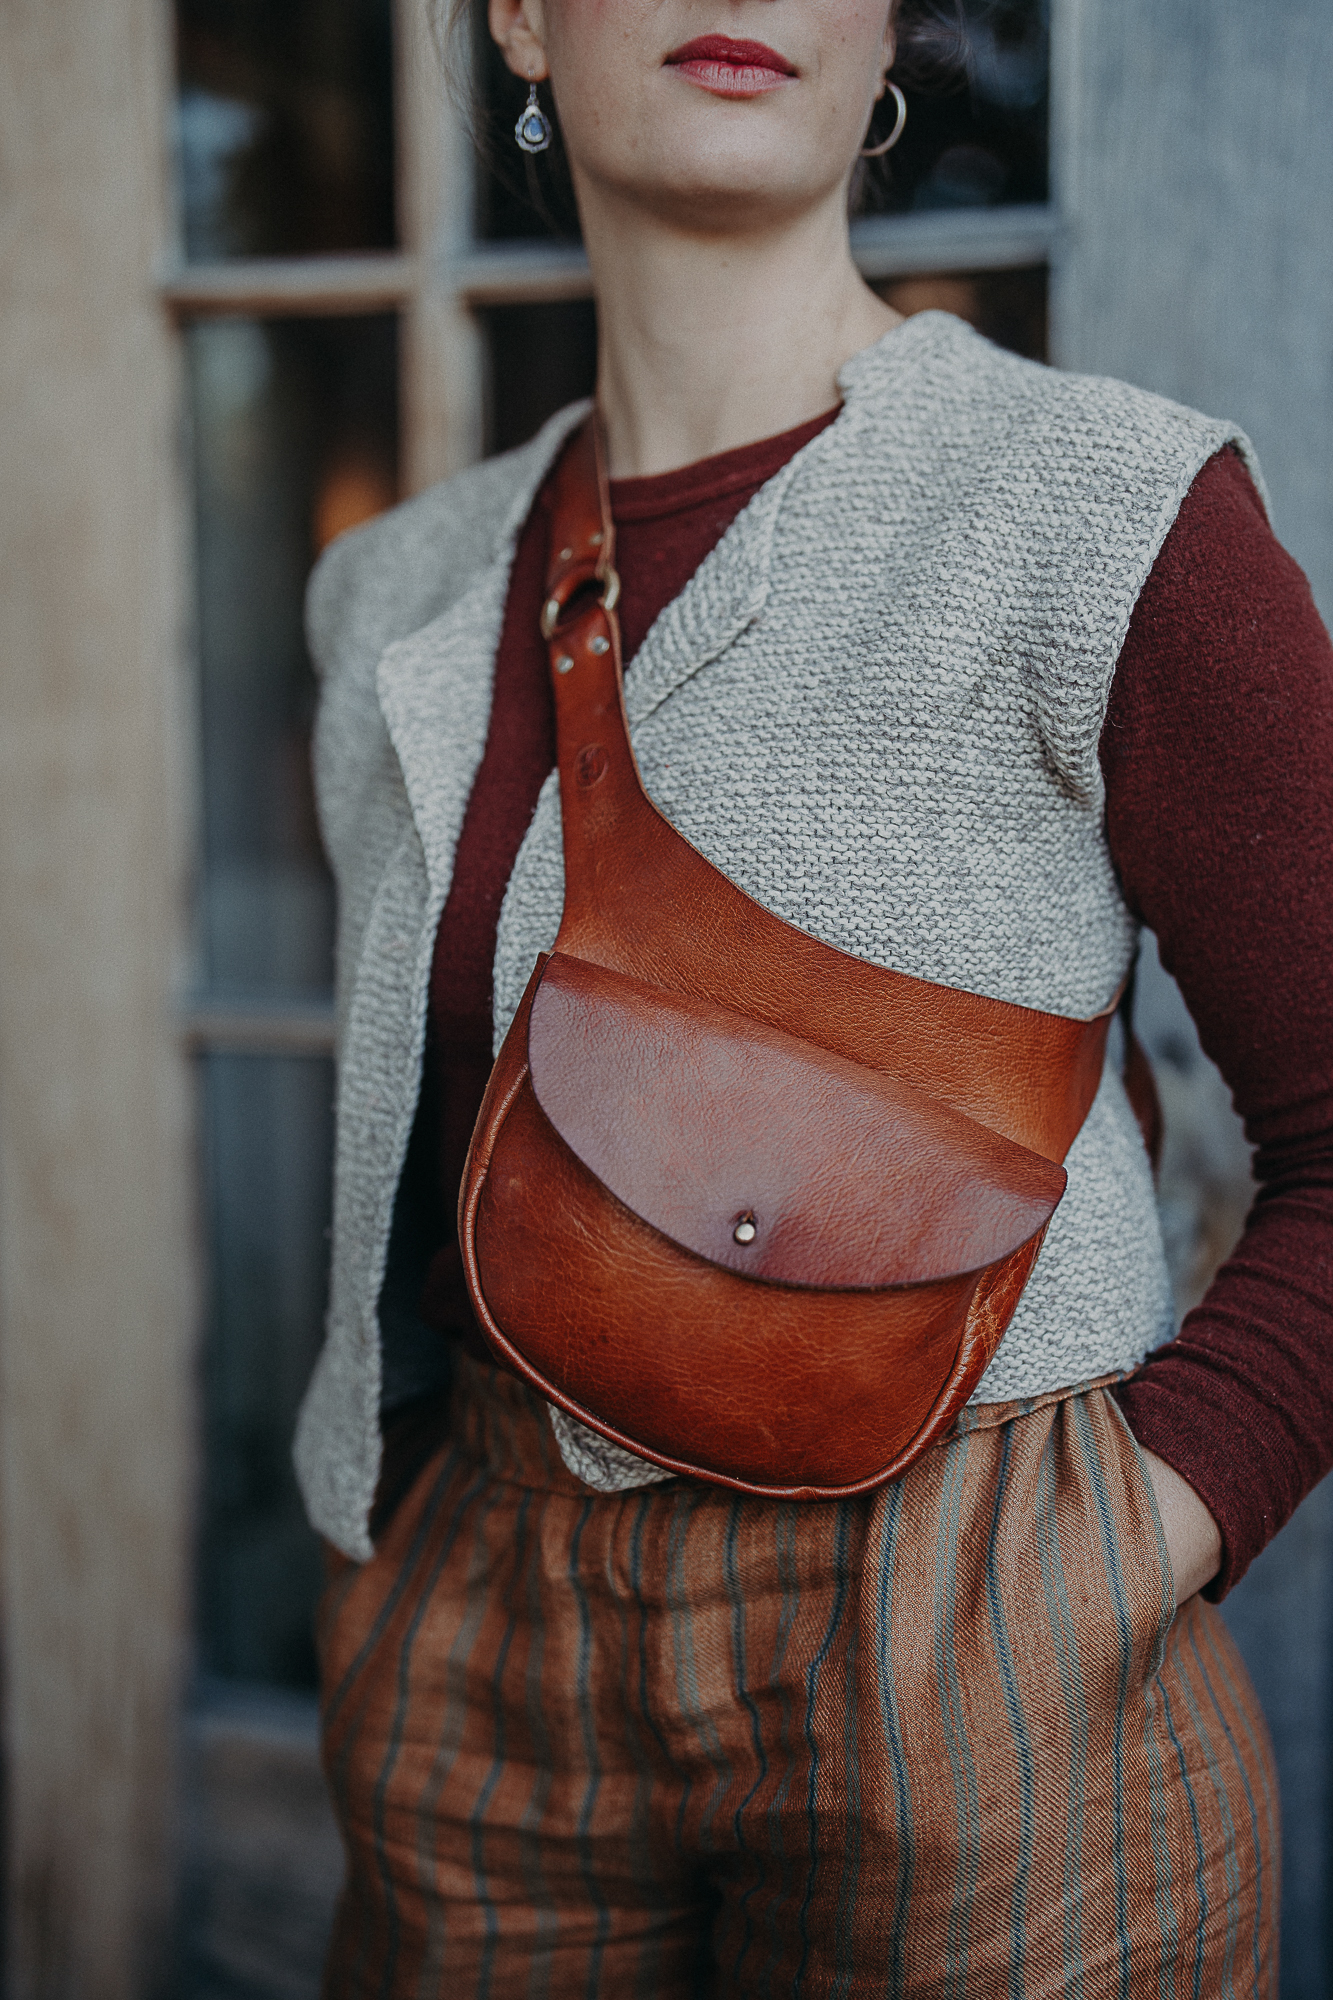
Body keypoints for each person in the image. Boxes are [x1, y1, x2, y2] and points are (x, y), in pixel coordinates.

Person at [294, 2, 1333, 1992]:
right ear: (518, 15)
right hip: (474, 1668)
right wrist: (403, 1552)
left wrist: (1120, 1543)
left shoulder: (1103, 514)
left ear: (884, 45)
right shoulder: (391, 601)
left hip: (974, 1659)